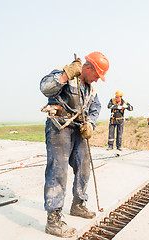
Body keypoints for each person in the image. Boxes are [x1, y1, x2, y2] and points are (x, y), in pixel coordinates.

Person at [39, 52, 109, 238]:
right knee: (58, 171)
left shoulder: (91, 89)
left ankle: (78, 204)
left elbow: (96, 107)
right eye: (97, 75)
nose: (97, 79)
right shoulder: (64, 74)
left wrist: (91, 124)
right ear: (88, 68)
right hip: (59, 128)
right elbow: (45, 88)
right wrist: (65, 75)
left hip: (79, 130)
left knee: (84, 167)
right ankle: (53, 220)